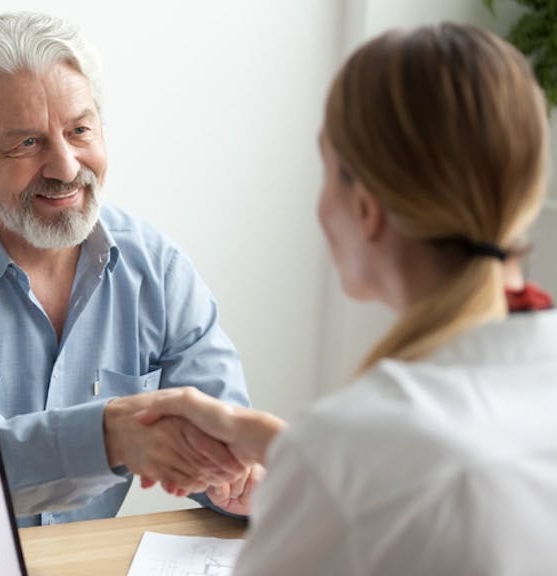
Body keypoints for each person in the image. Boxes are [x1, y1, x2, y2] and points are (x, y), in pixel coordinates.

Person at [137, 23, 557, 574]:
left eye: (328, 170)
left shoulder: (353, 454)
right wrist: (290, 456)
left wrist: (315, 471)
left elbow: (377, 487)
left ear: (366, 209)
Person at [0, 11, 253, 526]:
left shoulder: (157, 268)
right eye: (27, 143)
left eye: (79, 130)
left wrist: (238, 479)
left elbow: (226, 445)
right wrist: (111, 436)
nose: (65, 167)